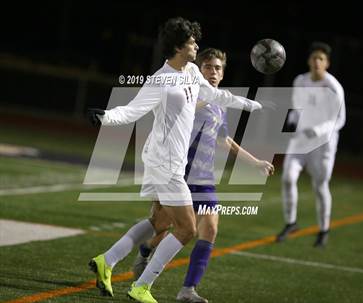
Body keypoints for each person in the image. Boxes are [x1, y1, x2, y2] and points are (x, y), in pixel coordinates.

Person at [86, 17, 262, 303]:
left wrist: (246, 103)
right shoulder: (160, 80)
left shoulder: (192, 71)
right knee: (188, 228)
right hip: (163, 164)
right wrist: (105, 117)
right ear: (179, 46)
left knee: (158, 221)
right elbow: (132, 111)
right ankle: (142, 286)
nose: (196, 45)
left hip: (173, 163)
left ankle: (108, 260)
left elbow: (213, 94)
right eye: (192, 41)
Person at [131, 48, 274, 303]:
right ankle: (145, 249)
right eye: (208, 66)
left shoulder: (220, 106)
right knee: (162, 226)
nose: (213, 72)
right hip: (176, 173)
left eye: (218, 68)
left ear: (223, 72)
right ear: (199, 69)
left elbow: (224, 141)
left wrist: (255, 162)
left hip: (203, 179)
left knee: (209, 230)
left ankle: (188, 290)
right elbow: (182, 112)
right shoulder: (187, 92)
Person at [276, 42, 345, 247]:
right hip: (301, 140)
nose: (317, 62)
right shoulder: (300, 81)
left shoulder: (333, 87)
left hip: (324, 144)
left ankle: (323, 229)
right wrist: (291, 121)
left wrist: (319, 130)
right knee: (288, 178)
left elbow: (340, 120)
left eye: (321, 59)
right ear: (308, 61)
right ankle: (291, 222)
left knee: (320, 185)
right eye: (314, 58)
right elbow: (298, 107)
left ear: (327, 63)